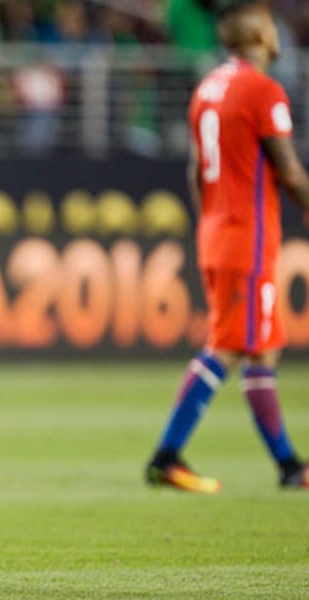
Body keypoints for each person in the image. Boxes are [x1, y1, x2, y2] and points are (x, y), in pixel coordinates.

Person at [145, 0, 309, 494]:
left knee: (263, 348)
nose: (279, 33)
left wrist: (213, 220)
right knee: (231, 344)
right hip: (249, 235)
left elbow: (195, 170)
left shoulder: (207, 89)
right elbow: (290, 170)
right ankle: (167, 456)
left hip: (219, 229)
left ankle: (289, 467)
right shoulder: (262, 90)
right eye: (271, 25)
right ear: (258, 33)